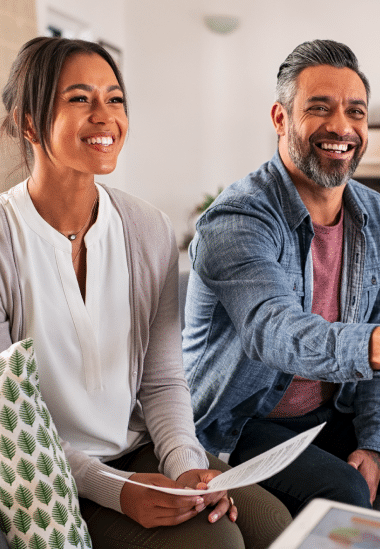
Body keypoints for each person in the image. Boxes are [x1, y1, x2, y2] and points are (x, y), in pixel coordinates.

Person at [183, 39, 380, 533]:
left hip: (332, 409)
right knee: (341, 493)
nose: (341, 127)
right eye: (319, 109)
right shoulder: (238, 220)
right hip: (243, 424)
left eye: (356, 112)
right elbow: (275, 332)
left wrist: (375, 444)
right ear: (280, 119)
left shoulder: (376, 216)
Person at [0, 37, 291, 549]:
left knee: (272, 524)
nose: (105, 116)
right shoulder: (5, 236)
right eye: (79, 98)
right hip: (46, 474)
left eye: (114, 99)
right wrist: (116, 491)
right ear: (28, 123)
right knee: (216, 544)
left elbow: (161, 381)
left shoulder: (148, 229)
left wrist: (185, 466)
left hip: (136, 450)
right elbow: (9, 416)